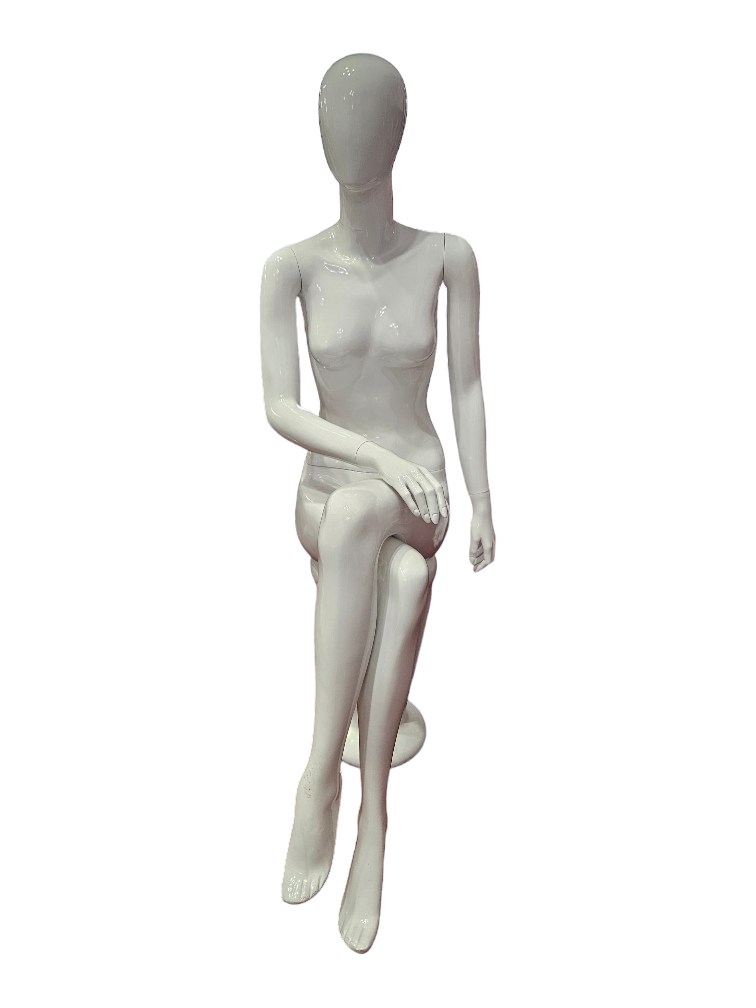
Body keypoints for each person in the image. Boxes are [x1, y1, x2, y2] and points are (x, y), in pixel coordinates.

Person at [260, 53, 496, 954]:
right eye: (334, 112)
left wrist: (482, 498)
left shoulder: (447, 256)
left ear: (400, 131)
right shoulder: (290, 266)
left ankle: (318, 778)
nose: (349, 130)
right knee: (399, 575)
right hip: (328, 491)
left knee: (375, 525)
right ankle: (371, 818)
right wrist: (368, 456)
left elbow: (467, 385)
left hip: (419, 491)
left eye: (368, 113)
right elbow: (279, 407)